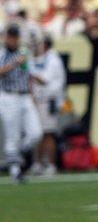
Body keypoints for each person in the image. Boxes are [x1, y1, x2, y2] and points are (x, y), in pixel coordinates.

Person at [0, 25, 42, 183]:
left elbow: (28, 73)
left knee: (36, 133)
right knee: (13, 136)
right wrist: (14, 64)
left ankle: (17, 156)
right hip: (8, 96)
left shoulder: (24, 52)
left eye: (15, 36)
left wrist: (35, 88)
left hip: (25, 96)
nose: (12, 39)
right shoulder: (2, 54)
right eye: (10, 36)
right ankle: (15, 171)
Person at [29, 35, 66, 176]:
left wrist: (29, 70)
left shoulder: (53, 60)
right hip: (38, 100)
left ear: (45, 44)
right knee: (37, 132)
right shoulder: (41, 59)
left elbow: (44, 80)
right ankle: (38, 163)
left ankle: (50, 164)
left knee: (48, 132)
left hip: (49, 100)